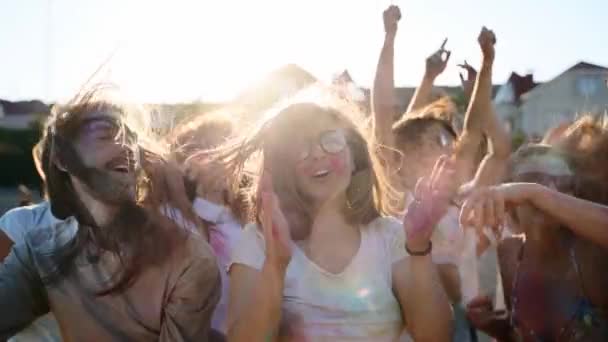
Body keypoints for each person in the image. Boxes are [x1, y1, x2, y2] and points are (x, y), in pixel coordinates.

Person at [215, 100, 454, 341]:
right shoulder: (257, 242)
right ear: (283, 169)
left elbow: (435, 337)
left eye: (331, 140)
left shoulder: (390, 236)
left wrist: (420, 247)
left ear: (354, 158)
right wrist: (275, 267)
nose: (318, 153)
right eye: (301, 147)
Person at [0, 87, 221, 341]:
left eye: (131, 137)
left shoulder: (188, 258)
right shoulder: (39, 250)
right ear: (62, 157)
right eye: (106, 134)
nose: (127, 146)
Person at [372, 5, 510, 341]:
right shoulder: (400, 199)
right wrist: (390, 38)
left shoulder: (466, 198)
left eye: (451, 141)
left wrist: (487, 67)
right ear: (405, 157)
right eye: (439, 142)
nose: (451, 149)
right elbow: (383, 112)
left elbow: (482, 133)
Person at [462, 134, 608, 340]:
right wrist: (501, 331)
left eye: (563, 183)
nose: (551, 190)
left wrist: (537, 194)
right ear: (510, 193)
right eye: (534, 180)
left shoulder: (591, 251)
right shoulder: (508, 255)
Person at [169, 110, 247, 336]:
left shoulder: (249, 215)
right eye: (215, 151)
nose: (225, 160)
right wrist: (207, 200)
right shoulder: (174, 217)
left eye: (232, 149)